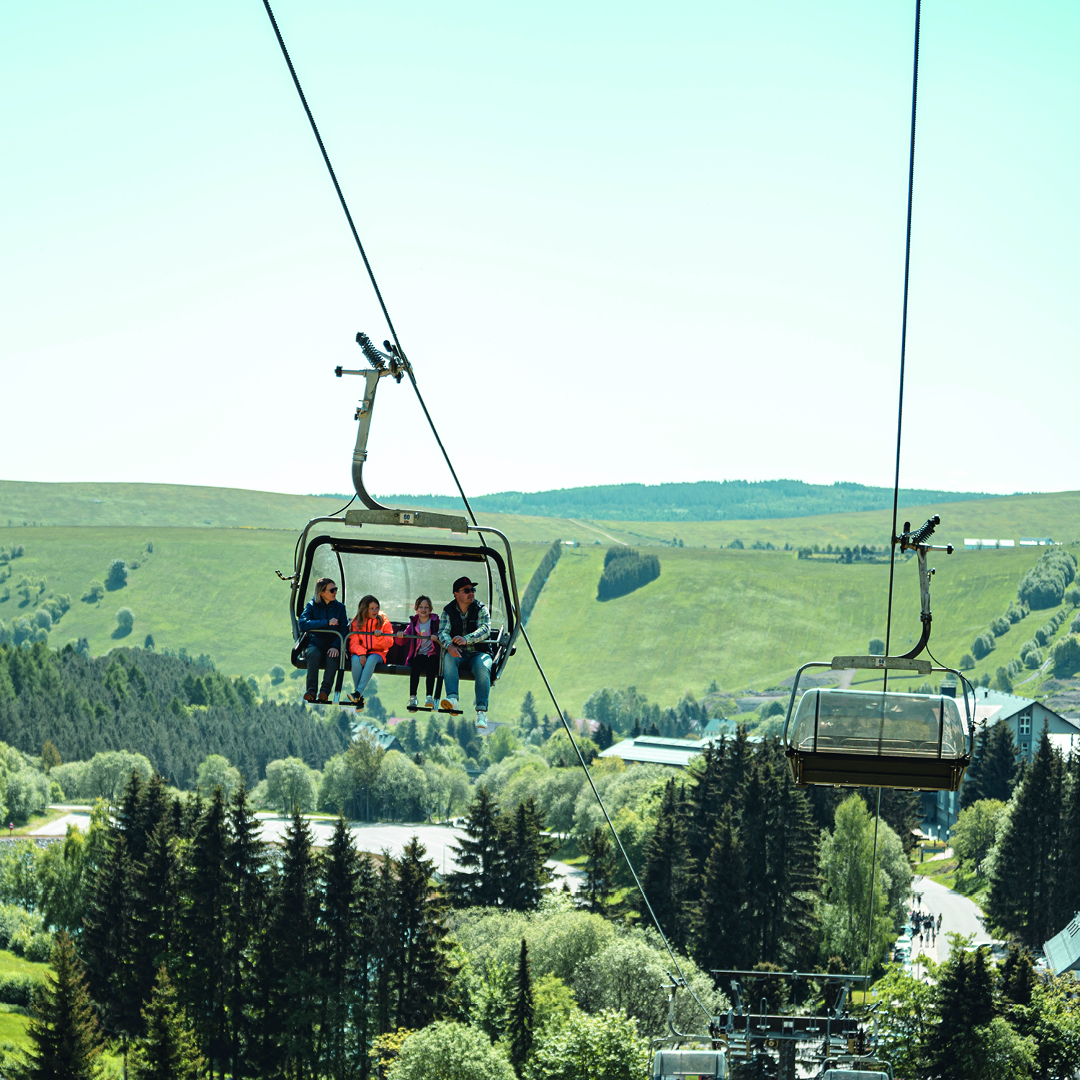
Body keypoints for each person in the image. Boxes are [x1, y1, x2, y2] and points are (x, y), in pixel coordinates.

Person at [439, 576, 492, 729]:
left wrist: (466, 639)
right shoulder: (448, 611)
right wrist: (449, 645)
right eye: (467, 590)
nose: (471, 593)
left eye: (472, 590)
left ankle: (481, 711)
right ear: (456, 594)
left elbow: (485, 629)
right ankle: (452, 699)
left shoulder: (480, 609)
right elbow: (443, 631)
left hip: (479, 652)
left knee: (482, 667)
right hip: (459, 653)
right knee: (449, 657)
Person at [298, 577, 349, 702]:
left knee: (332, 657)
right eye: (332, 590)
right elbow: (303, 624)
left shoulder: (340, 608)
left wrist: (336, 646)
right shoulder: (312, 606)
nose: (335, 592)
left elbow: (344, 630)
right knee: (313, 654)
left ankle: (324, 691)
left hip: (333, 643)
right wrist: (326, 622)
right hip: (316, 642)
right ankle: (311, 690)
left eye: (335, 589)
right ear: (322, 593)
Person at [347, 594, 394, 707]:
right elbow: (353, 642)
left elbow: (390, 641)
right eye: (371, 608)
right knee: (355, 659)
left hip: (378, 653)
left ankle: (358, 693)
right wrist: (362, 653)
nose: (375, 611)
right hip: (361, 652)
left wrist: (380, 637)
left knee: (371, 659)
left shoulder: (383, 620)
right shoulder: (357, 622)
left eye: (376, 608)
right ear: (365, 610)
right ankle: (359, 697)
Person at [397, 594, 440, 710]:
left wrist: (436, 636)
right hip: (419, 653)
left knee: (431, 668)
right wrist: (401, 635)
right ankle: (413, 697)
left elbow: (441, 633)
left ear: (430, 609)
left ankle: (429, 696)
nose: (423, 609)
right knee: (415, 668)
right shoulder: (414, 622)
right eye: (420, 607)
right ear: (416, 609)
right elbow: (403, 638)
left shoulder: (435, 621)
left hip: (432, 653)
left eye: (426, 607)